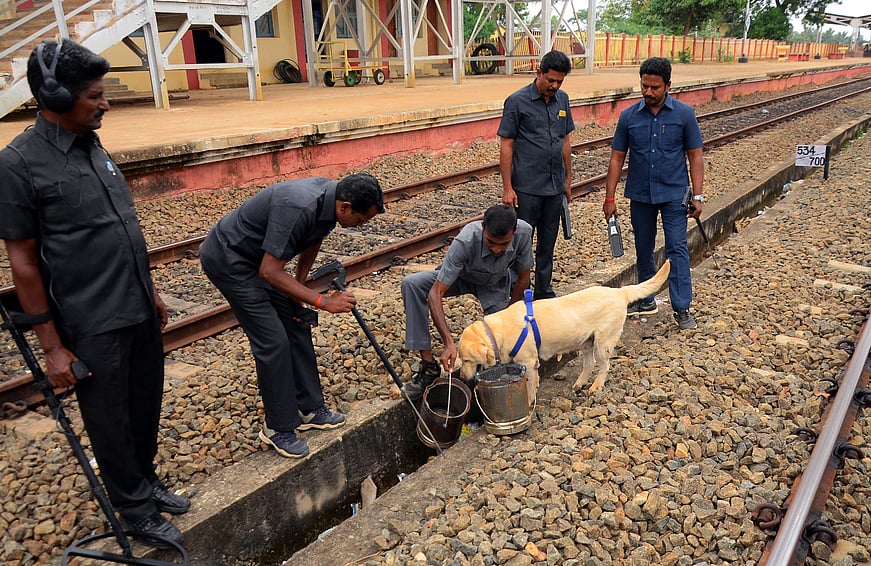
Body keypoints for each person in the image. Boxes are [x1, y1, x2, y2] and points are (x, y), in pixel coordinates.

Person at [0, 40, 189, 548]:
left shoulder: (93, 145)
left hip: (136, 304)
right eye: (94, 96)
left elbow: (124, 230)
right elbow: (23, 263)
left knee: (145, 401)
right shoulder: (17, 163)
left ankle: (145, 481)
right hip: (91, 319)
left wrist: (151, 291)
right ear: (56, 98)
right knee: (110, 417)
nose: (105, 103)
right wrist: (52, 347)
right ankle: (134, 509)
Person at [199, 174, 384, 458]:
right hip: (230, 260)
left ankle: (308, 408)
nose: (361, 226)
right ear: (345, 207)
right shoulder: (299, 206)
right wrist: (323, 301)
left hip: (261, 259)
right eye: (361, 220)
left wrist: (300, 288)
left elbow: (313, 239)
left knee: (297, 321)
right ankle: (278, 427)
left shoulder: (330, 203)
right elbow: (269, 272)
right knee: (273, 340)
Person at [602, 57, 704, 330]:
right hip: (640, 194)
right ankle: (645, 299)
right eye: (644, 86)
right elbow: (616, 158)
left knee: (677, 248)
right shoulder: (629, 117)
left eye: (654, 87)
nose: (648, 92)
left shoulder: (684, 115)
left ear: (668, 86)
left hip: (674, 195)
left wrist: (698, 196)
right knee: (643, 248)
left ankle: (681, 306)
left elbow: (695, 156)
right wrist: (609, 198)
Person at [400, 204, 533, 399]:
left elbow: (523, 278)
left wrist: (508, 317)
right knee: (412, 284)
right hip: (460, 277)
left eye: (503, 244)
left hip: (494, 285)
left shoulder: (524, 232)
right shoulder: (465, 240)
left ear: (514, 231)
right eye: (490, 242)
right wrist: (448, 342)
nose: (496, 249)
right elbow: (435, 293)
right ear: (483, 226)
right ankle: (428, 367)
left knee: (504, 341)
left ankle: (492, 372)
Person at [498, 50, 575, 301]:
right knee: (520, 243)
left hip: (554, 187)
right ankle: (516, 294)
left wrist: (567, 179)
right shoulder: (516, 101)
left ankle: (543, 291)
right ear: (539, 72)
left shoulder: (563, 100)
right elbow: (506, 145)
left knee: (547, 243)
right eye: (551, 80)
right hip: (527, 188)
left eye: (559, 82)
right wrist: (508, 187)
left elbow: (565, 140)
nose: (555, 86)